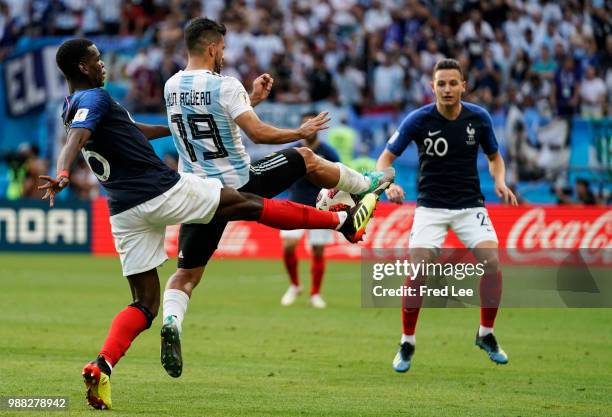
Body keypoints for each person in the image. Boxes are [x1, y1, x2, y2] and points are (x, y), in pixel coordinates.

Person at [42, 38, 379, 410]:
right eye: (97, 59)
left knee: (144, 303)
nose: (103, 64)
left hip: (123, 211)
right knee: (244, 202)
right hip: (160, 190)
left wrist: (177, 127)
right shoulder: (95, 99)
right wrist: (61, 170)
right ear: (84, 68)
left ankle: (102, 363)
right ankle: (341, 221)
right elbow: (78, 137)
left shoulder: (70, 106)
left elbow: (132, 130)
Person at [160, 17, 395, 378]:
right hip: (240, 183)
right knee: (304, 157)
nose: (223, 54)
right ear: (211, 49)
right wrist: (299, 131)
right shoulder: (225, 85)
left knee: (186, 276)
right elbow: (257, 132)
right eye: (222, 49)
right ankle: (365, 184)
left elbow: (208, 117)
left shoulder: (171, 86)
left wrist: (249, 99)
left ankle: (172, 321)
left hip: (197, 193)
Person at [376, 58, 518, 373]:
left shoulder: (479, 118)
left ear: (463, 86)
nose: (448, 89)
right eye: (441, 83)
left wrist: (499, 181)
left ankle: (486, 334)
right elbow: (385, 158)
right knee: (418, 270)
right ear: (433, 87)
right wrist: (389, 183)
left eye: (453, 83)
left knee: (492, 263)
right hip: (430, 207)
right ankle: (407, 342)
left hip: (470, 206)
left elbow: (495, 157)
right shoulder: (417, 120)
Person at [279, 112, 341, 309]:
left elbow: (340, 176)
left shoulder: (328, 152)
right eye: (305, 123)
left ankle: (315, 294)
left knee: (318, 250)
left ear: (318, 127)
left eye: (312, 123)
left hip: (320, 207)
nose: (309, 127)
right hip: (295, 203)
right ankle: (295, 285)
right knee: (288, 245)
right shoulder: (292, 151)